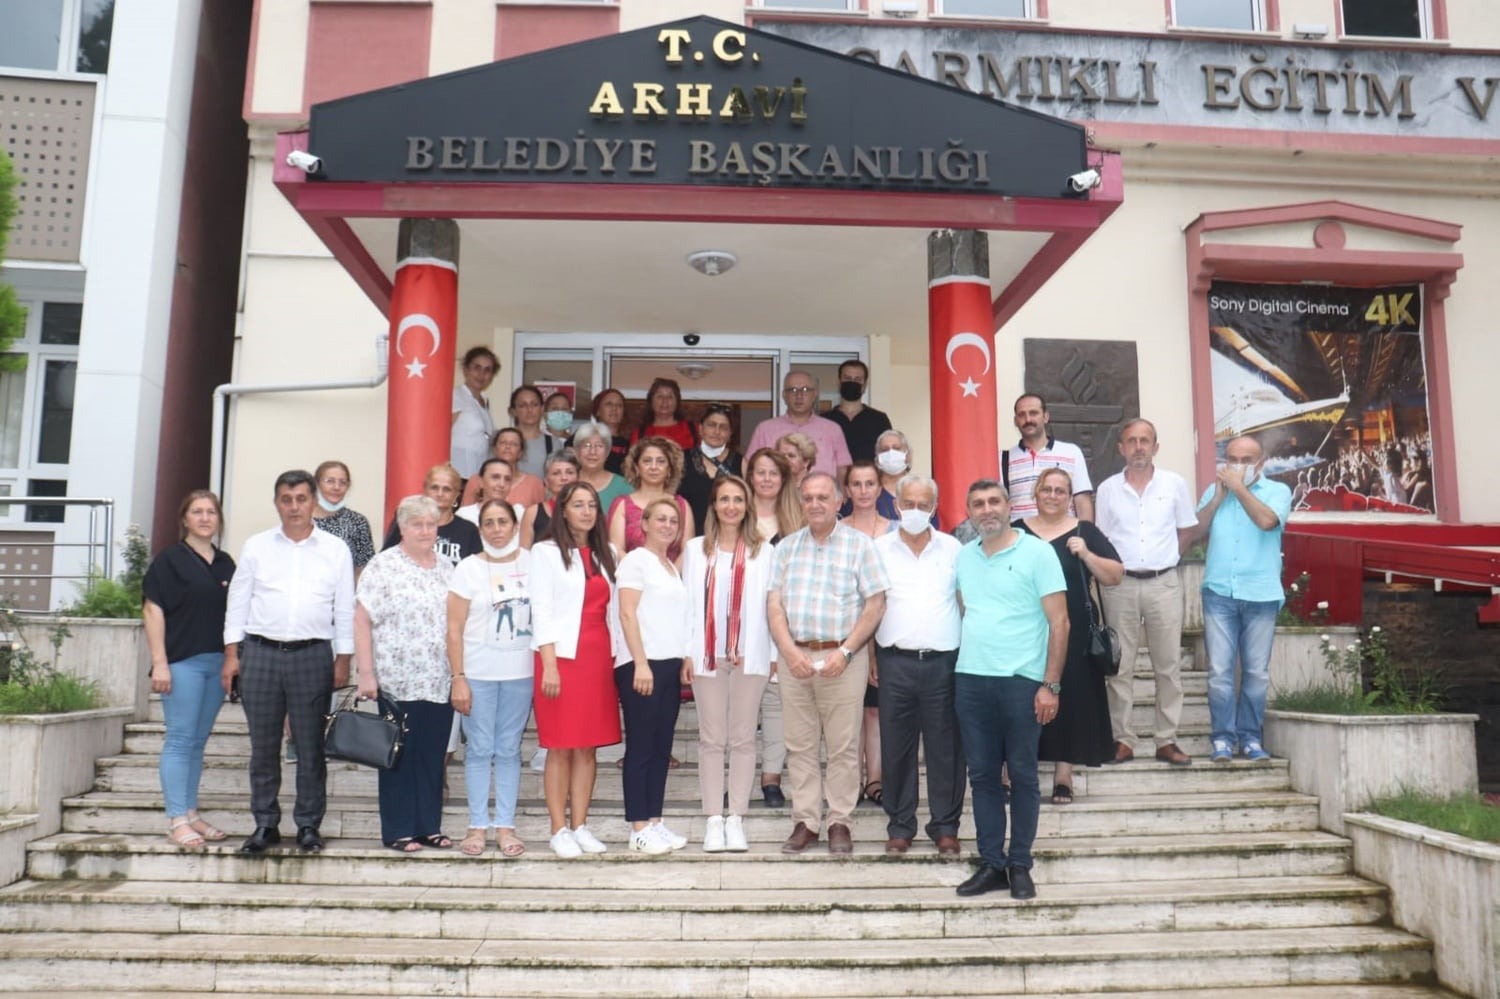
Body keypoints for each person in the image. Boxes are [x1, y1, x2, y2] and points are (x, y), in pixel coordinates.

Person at [222, 469, 354, 855]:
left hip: (313, 655)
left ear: (313, 502)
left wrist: (343, 658)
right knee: (263, 747)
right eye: (286, 499)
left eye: (301, 499)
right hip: (260, 654)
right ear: (276, 503)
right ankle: (265, 824)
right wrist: (231, 655)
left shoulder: (335, 549)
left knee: (311, 746)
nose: (294, 506)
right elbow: (238, 602)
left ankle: (309, 824)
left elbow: (344, 607)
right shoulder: (257, 546)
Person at [953, 478, 1068, 900]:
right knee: (983, 776)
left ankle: (1020, 864)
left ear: (1009, 506)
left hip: (1022, 682)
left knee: (1022, 774)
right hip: (971, 678)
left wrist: (1050, 684)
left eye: (994, 501)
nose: (987, 509)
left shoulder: (1039, 553)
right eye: (978, 503)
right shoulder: (964, 557)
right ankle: (991, 864)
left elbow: (1060, 622)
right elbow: (966, 608)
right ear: (969, 512)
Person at [767, 471, 890, 855]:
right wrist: (789, 652)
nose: (815, 504)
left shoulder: (860, 545)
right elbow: (774, 606)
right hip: (796, 658)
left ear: (839, 502)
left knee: (843, 746)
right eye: (808, 498)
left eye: (823, 497)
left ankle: (840, 821)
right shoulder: (786, 547)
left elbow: (876, 604)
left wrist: (847, 651)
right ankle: (806, 822)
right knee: (799, 745)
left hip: (843, 658)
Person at [1094, 419, 1199, 767]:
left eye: (1145, 440)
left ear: (1155, 447)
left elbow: (1186, 531)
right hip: (1120, 585)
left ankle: (1166, 740)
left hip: (1163, 583)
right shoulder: (1108, 490)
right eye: (1131, 441)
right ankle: (1123, 740)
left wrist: (1166, 560)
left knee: (1168, 666)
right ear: (1121, 448)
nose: (1138, 447)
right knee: (1119, 666)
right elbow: (1102, 539)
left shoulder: (1174, 484)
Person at [1183, 435, 1293, 764]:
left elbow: (1267, 521)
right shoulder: (1215, 490)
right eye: (1232, 459)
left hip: (1261, 593)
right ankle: (1222, 737)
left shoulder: (1278, 491)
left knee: (1256, 672)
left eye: (1246, 460)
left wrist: (1240, 489)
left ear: (1261, 463)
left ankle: (1250, 738)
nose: (1237, 465)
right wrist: (1218, 497)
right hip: (1219, 593)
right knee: (1220, 671)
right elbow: (1194, 532)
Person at [355, 494, 456, 853]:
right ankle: (398, 829)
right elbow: (361, 619)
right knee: (398, 755)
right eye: (418, 524)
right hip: (396, 678)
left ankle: (428, 826)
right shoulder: (383, 565)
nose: (426, 531)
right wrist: (366, 673)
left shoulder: (447, 567)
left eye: (431, 524)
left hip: (438, 678)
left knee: (431, 755)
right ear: (402, 527)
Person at [871, 474, 964, 856]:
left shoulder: (953, 548)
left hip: (944, 662)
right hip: (895, 661)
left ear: (934, 508)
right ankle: (900, 825)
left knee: (946, 748)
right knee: (896, 747)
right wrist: (870, 655)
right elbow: (870, 604)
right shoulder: (878, 548)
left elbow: (964, 601)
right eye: (908, 503)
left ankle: (945, 827)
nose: (914, 510)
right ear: (896, 505)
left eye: (923, 505)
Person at [530, 481, 623, 857]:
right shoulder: (545, 552)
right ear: (562, 510)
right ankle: (558, 828)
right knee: (560, 746)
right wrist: (549, 664)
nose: (586, 512)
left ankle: (580, 825)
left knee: (587, 747)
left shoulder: (608, 553)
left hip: (598, 658)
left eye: (591, 505)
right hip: (560, 658)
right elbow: (541, 610)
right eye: (578, 504)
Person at [1020, 468, 1123, 802]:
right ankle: (1014, 771)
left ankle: (1063, 775)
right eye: (1046, 489)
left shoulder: (1084, 531)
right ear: (1035, 494)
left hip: (1076, 628)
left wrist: (1087, 554)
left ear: (1070, 498)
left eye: (1060, 490)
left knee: (1072, 697)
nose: (1053, 496)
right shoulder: (1017, 531)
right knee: (1020, 697)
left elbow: (1115, 575)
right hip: (1025, 627)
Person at [683, 475, 773, 853]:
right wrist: (686, 652)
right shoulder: (695, 549)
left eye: (738, 499)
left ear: (747, 506)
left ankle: (736, 817)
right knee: (711, 738)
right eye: (724, 499)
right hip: (708, 654)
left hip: (750, 653)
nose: (731, 506)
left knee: (743, 738)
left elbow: (772, 606)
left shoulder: (763, 551)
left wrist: (772, 655)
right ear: (714, 505)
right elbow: (687, 604)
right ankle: (713, 819)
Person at [143, 489, 236, 849]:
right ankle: (176, 819)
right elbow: (153, 610)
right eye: (197, 512)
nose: (205, 518)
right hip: (181, 663)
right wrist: (159, 663)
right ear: (184, 519)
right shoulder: (169, 561)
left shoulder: (226, 563)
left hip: (217, 664)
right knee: (180, 740)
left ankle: (191, 813)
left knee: (198, 742)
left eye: (211, 512)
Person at [447, 498, 533, 858]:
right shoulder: (468, 568)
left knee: (509, 748)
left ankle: (506, 825)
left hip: (520, 673)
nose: (497, 529)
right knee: (480, 748)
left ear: (515, 525)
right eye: (489, 523)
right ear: (480, 528)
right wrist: (458, 677)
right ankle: (477, 825)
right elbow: (454, 628)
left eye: (503, 522)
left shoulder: (533, 563)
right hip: (478, 672)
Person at [615, 498, 691, 854]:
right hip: (641, 665)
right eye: (660, 519)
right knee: (641, 747)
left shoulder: (670, 566)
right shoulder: (636, 561)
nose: (667, 525)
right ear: (643, 524)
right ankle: (638, 827)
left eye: (673, 520)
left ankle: (655, 821)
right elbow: (627, 614)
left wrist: (684, 657)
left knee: (661, 748)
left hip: (668, 665)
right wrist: (641, 662)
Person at [745, 446, 802, 807]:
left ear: (783, 479)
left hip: (784, 621)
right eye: (760, 472)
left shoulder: (797, 521)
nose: (766, 479)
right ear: (750, 476)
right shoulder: (736, 514)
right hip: (742, 623)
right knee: (742, 704)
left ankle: (771, 778)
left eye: (773, 473)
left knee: (777, 702)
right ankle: (738, 777)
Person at [840, 460, 897, 807]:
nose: (863, 491)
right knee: (849, 713)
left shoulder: (896, 531)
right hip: (844, 633)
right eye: (856, 484)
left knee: (874, 711)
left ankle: (875, 778)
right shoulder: (836, 530)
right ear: (847, 490)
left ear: (880, 489)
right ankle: (851, 781)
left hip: (886, 630)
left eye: (869, 484)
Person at [1005, 394, 1094, 522]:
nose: (1028, 419)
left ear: (1045, 417)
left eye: (1033, 413)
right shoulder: (1004, 459)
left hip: (1064, 533)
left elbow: (1082, 501)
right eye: (1022, 415)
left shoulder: (1071, 452)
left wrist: (1086, 533)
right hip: (1020, 533)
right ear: (1015, 421)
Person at [746, 370, 852, 476]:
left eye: (805, 390)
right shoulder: (765, 429)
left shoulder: (832, 430)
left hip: (822, 487)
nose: (799, 395)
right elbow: (749, 466)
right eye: (793, 390)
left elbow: (843, 470)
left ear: (814, 394)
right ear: (784, 395)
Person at [608, 437, 694, 561]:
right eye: (647, 461)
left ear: (669, 469)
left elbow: (687, 551)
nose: (654, 467)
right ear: (637, 468)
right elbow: (616, 549)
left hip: (673, 572)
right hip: (631, 571)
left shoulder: (681, 505)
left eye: (661, 461)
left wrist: (668, 571)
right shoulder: (622, 504)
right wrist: (639, 570)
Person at [382, 463, 481, 567]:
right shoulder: (407, 522)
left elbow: (477, 568)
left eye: (447, 489)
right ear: (425, 490)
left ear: (456, 494)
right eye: (434, 488)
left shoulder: (468, 530)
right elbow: (385, 559)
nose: (440, 494)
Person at [678, 403, 743, 533]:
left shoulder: (742, 463)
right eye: (711, 425)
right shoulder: (680, 459)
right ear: (700, 429)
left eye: (723, 427)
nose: (717, 431)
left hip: (729, 537)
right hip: (687, 536)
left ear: (730, 434)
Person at [310, 460, 375, 579]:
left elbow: (363, 570)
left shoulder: (357, 522)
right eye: (330, 481)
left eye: (342, 482)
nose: (336, 487)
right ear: (316, 484)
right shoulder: (302, 520)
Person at [825, 358, 892, 461]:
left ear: (864, 385)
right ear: (839, 382)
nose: (852, 383)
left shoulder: (879, 419)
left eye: (857, 379)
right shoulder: (824, 420)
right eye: (847, 378)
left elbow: (888, 455)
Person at [460, 428, 544, 508]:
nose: (508, 447)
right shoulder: (477, 480)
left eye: (514, 444)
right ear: (495, 449)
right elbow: (464, 513)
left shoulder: (534, 483)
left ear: (520, 452)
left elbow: (541, 514)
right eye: (503, 443)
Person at [451, 346, 498, 479]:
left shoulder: (484, 403)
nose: (481, 374)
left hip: (477, 477)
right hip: (457, 475)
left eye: (487, 370)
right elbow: (439, 434)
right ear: (466, 369)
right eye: (477, 368)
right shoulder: (456, 396)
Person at [520, 449, 582, 549]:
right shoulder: (533, 513)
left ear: (578, 478)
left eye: (570, 472)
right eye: (556, 473)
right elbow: (524, 553)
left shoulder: (588, 510)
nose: (564, 478)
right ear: (546, 481)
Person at [572, 420, 632, 515]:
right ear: (577, 451)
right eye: (586, 446)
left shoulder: (624, 487)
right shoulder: (568, 482)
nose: (592, 452)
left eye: (599, 446)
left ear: (607, 452)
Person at [631, 376, 696, 451]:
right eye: (660, 396)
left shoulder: (693, 429)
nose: (665, 400)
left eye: (670, 397)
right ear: (651, 401)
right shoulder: (639, 434)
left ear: (677, 402)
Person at [456, 457, 519, 526]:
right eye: (495, 477)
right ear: (481, 482)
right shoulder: (465, 515)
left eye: (507, 479)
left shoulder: (518, 514)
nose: (502, 484)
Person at [580, 387, 630, 473]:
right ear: (598, 411)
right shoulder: (583, 437)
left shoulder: (628, 445)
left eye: (619, 405)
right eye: (609, 404)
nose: (614, 408)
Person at [509, 385, 552, 478]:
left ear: (542, 409)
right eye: (522, 406)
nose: (529, 410)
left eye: (534, 405)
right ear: (513, 411)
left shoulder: (553, 443)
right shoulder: (500, 440)